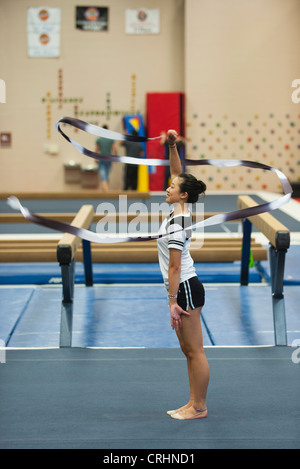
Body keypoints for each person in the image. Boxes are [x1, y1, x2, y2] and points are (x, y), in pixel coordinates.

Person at [157, 129, 209, 420]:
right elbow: (178, 172)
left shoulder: (179, 222)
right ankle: (192, 402)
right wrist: (173, 146)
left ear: (183, 195)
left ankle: (199, 408)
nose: (167, 187)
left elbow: (175, 267)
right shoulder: (181, 208)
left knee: (195, 351)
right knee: (188, 352)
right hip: (186, 287)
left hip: (185, 288)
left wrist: (171, 301)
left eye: (172, 186)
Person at [95, 125, 118, 192]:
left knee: (103, 174)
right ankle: (105, 188)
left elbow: (96, 149)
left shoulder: (99, 139)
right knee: (106, 174)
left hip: (101, 158)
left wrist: (95, 158)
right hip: (109, 158)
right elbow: (115, 149)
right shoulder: (111, 139)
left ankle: (105, 189)